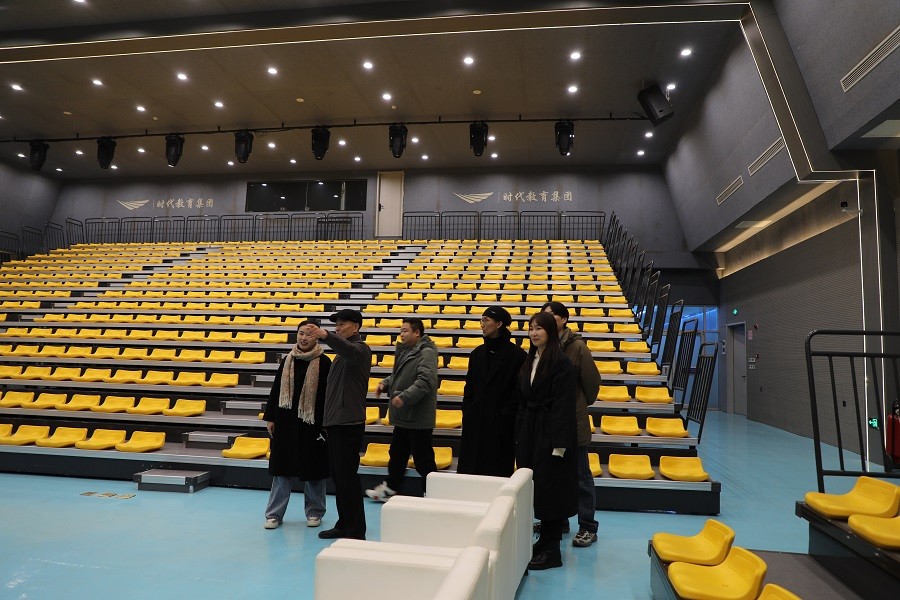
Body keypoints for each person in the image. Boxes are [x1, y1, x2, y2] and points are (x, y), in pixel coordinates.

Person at [515, 311, 578, 570]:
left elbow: (564, 406)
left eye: (539, 328)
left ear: (550, 331)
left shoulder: (562, 363)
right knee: (536, 488)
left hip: (551, 434)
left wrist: (559, 445)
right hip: (530, 431)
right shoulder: (530, 359)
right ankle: (543, 542)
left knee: (551, 490)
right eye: (531, 328)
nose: (534, 333)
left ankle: (553, 550)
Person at [306, 308, 371, 540]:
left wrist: (326, 335)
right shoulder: (341, 356)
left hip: (348, 424)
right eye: (336, 324)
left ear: (356, 327)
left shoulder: (360, 349)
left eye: (342, 324)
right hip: (336, 423)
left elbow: (349, 349)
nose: (338, 328)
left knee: (347, 479)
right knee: (340, 479)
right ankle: (344, 524)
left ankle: (355, 530)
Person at [543, 301, 602, 548]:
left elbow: (592, 384)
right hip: (550, 423)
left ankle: (588, 526)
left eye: (551, 316)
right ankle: (560, 521)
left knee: (581, 477)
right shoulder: (542, 346)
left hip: (573, 421)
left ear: (564, 319)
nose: (547, 320)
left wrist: (576, 403)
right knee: (556, 476)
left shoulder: (578, 347)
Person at [263, 320, 332, 530]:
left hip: (313, 424)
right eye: (301, 333)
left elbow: (328, 396)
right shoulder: (287, 360)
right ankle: (274, 514)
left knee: (314, 470)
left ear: (317, 337)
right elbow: (276, 390)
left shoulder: (325, 362)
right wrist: (271, 418)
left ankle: (315, 512)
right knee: (281, 470)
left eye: (309, 334)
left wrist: (326, 424)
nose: (303, 338)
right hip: (286, 423)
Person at [366, 317, 439, 501]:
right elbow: (398, 376)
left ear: (417, 332)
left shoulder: (427, 352)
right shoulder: (408, 351)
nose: (401, 334)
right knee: (397, 455)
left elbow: (426, 381)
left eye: (405, 331)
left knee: (423, 460)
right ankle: (390, 489)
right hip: (404, 417)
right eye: (401, 330)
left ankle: (433, 494)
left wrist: (405, 397)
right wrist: (385, 384)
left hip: (417, 418)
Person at [457, 305, 527, 477]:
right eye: (481, 320)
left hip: (500, 426)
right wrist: (468, 410)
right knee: (469, 474)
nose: (482, 324)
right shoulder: (477, 354)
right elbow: (469, 387)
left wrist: (504, 415)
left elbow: (518, 392)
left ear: (499, 324)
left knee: (495, 475)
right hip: (475, 423)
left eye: (486, 320)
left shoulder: (517, 356)